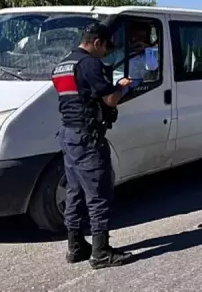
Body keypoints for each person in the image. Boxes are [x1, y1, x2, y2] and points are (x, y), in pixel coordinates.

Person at [51, 23, 133, 269]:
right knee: (99, 194)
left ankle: (75, 247)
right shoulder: (90, 64)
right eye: (106, 47)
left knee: (74, 192)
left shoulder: (62, 65)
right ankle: (101, 252)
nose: (106, 53)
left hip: (68, 134)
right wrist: (123, 86)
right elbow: (109, 98)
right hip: (88, 136)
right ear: (97, 42)